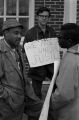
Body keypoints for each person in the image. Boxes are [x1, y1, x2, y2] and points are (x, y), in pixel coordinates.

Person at [0, 19, 43, 120]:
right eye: (16, 33)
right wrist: (8, 97)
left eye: (20, 33)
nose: (20, 36)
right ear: (5, 33)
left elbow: (22, 75)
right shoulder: (1, 52)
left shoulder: (18, 48)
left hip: (21, 103)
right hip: (6, 108)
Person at [24, 6, 60, 99]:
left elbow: (55, 48)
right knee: (36, 93)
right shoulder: (30, 33)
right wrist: (32, 62)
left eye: (46, 16)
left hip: (51, 65)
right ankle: (37, 111)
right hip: (37, 67)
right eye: (42, 16)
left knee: (56, 86)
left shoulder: (52, 31)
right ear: (37, 17)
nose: (44, 18)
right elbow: (26, 50)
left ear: (49, 18)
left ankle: (52, 106)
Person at [50, 23, 79, 120]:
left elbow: (64, 94)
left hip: (69, 113)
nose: (58, 39)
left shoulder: (71, 59)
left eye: (60, 37)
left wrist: (51, 103)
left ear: (69, 41)